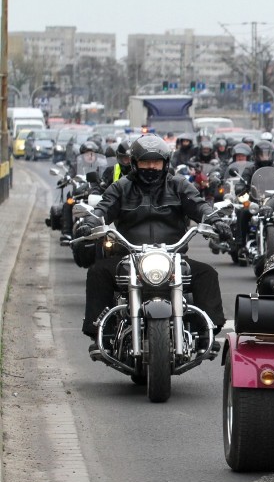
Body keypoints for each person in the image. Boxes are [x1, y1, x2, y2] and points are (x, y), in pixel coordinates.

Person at [75, 135, 231, 352]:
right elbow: (103, 209)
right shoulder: (121, 188)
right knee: (98, 272)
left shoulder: (179, 186)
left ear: (165, 163)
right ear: (135, 163)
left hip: (173, 256)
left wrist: (215, 220)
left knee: (207, 274)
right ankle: (103, 333)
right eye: (146, 162)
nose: (151, 167)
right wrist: (89, 223)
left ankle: (205, 332)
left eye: (156, 162)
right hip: (130, 256)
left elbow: (199, 206)